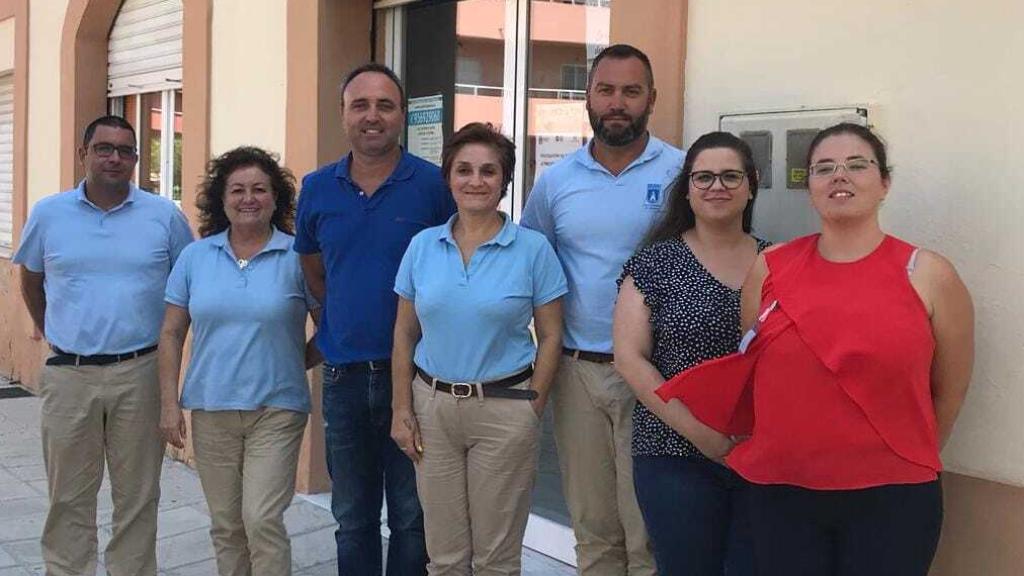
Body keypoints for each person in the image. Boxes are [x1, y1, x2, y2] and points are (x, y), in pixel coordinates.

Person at [658, 123, 975, 575]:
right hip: (782, 496)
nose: (839, 176)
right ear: (809, 188)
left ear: (884, 182)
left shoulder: (927, 274)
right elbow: (756, 369)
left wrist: (902, 453)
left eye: (856, 165)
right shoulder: (770, 268)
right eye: (824, 168)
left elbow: (950, 390)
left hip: (893, 498)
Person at [520, 43, 682, 575]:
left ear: (651, 99)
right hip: (577, 374)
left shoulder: (683, 172)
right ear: (587, 97)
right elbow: (532, 269)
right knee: (592, 529)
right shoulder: (556, 182)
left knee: (649, 533)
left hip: (657, 374)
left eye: (630, 91)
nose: (617, 102)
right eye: (606, 90)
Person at [13, 115, 193, 575]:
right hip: (69, 374)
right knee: (68, 497)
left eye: (126, 150)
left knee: (137, 497)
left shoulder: (164, 216)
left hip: (141, 372)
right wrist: (53, 328)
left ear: (136, 159)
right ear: (83, 154)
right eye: (104, 148)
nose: (115, 158)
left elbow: (184, 291)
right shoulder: (49, 213)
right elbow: (31, 281)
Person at [294, 63, 456, 576]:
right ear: (343, 114)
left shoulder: (433, 187)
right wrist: (339, 320)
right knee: (353, 517)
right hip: (343, 379)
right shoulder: (317, 189)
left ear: (402, 116)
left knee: (412, 518)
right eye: (360, 105)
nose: (372, 116)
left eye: (385, 105)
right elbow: (316, 274)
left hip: (415, 379)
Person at [390, 123, 567, 575]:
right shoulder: (422, 247)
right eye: (464, 170)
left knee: (496, 558)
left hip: (505, 408)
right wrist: (402, 408)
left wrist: (533, 404)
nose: (475, 180)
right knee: (445, 556)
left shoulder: (532, 249)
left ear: (505, 181)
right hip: (433, 409)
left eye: (489, 171)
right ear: (448, 177)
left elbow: (551, 335)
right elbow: (404, 333)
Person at [157, 147, 320, 575]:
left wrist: (293, 361)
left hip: (277, 410)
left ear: (276, 198)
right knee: (227, 526)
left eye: (260, 190)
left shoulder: (296, 257)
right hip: (212, 409)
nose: (249, 198)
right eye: (238, 190)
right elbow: (172, 332)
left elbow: (331, 328)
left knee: (262, 519)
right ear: (221, 198)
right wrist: (168, 404)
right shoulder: (196, 257)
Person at [613, 132, 766, 575]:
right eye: (703, 177)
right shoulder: (655, 263)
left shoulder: (778, 261)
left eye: (730, 176)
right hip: (673, 452)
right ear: (687, 188)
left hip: (761, 456)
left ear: (751, 183)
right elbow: (629, 357)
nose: (717, 186)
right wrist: (701, 434)